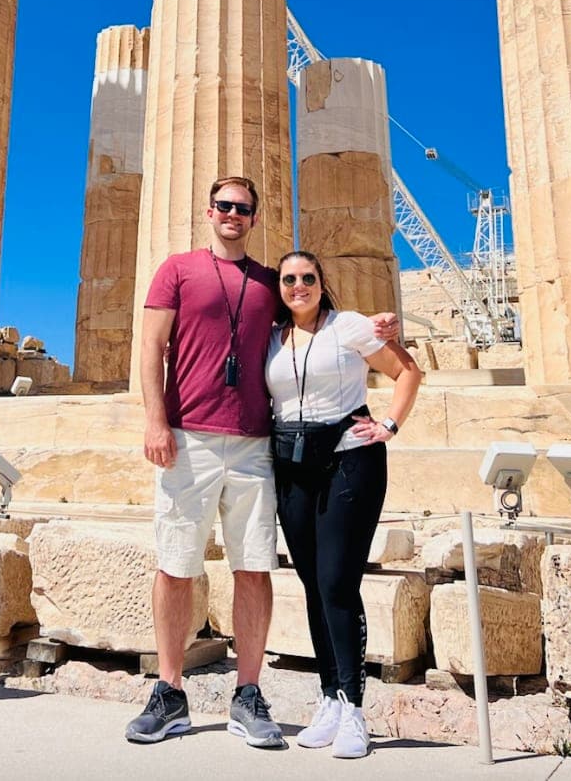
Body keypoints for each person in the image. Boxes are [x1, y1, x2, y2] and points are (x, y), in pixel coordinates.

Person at [126, 178, 398, 749]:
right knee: (176, 564)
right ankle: (169, 691)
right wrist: (154, 421)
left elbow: (313, 315)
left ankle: (248, 693)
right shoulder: (176, 269)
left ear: (253, 218)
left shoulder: (268, 282)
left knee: (254, 567)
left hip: (255, 443)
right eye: (224, 206)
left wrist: (373, 327)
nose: (232, 214)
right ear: (209, 212)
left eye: (243, 208)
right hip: (187, 435)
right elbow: (151, 345)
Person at [267, 250, 421, 760]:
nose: (298, 286)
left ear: (320, 282)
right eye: (289, 279)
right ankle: (328, 697)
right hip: (292, 468)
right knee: (312, 583)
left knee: (337, 583)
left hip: (349, 462)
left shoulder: (349, 326)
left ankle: (354, 708)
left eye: (307, 278)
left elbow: (407, 372)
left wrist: (389, 426)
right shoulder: (272, 336)